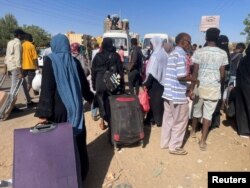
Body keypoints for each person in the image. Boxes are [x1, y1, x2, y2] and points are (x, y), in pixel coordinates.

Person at [35, 34, 94, 181]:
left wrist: (44, 113)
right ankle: (82, 173)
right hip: (76, 109)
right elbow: (84, 86)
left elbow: (47, 88)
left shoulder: (50, 61)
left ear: (54, 46)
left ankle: (66, 176)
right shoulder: (74, 61)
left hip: (59, 110)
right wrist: (92, 99)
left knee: (62, 143)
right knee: (79, 141)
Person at [190, 28, 228, 151]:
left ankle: (193, 132)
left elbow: (194, 72)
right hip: (213, 88)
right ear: (218, 38)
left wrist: (191, 88)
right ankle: (202, 142)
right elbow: (222, 75)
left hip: (199, 86)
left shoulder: (199, 52)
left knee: (196, 110)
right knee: (208, 115)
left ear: (206, 38)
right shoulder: (223, 53)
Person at [161, 33, 195, 155]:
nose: (190, 44)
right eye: (189, 41)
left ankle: (165, 143)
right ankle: (174, 147)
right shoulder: (181, 54)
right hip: (177, 95)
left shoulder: (172, 53)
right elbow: (181, 77)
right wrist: (194, 79)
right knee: (180, 121)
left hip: (168, 93)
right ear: (182, 41)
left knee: (168, 120)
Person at [91, 37, 124, 133]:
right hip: (113, 83)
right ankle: (112, 126)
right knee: (113, 105)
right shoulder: (116, 56)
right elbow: (120, 72)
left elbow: (93, 72)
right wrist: (121, 86)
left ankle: (102, 121)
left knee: (101, 104)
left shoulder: (97, 56)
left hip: (100, 83)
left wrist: (94, 85)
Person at [3, 29, 31, 111]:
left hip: (10, 66)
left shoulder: (10, 42)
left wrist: (5, 67)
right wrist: (20, 71)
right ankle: (10, 107)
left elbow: (7, 55)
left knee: (24, 83)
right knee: (14, 87)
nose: (23, 36)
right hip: (16, 67)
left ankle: (29, 101)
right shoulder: (18, 43)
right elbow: (18, 58)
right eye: (22, 35)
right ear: (19, 35)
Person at [144, 37, 168, 127]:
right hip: (162, 82)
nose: (150, 46)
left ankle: (155, 120)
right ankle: (157, 120)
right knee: (159, 102)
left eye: (151, 44)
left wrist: (146, 84)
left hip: (154, 83)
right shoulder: (164, 54)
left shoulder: (155, 55)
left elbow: (151, 72)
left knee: (153, 102)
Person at [235, 44, 250, 138]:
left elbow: (238, 74)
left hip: (242, 87)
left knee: (242, 107)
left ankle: (244, 130)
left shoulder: (243, 59)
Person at [21, 33, 39, 105]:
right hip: (31, 67)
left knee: (22, 82)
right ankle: (27, 96)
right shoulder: (32, 46)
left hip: (23, 67)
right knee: (30, 83)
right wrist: (37, 67)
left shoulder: (21, 45)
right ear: (30, 38)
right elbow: (35, 58)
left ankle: (27, 96)